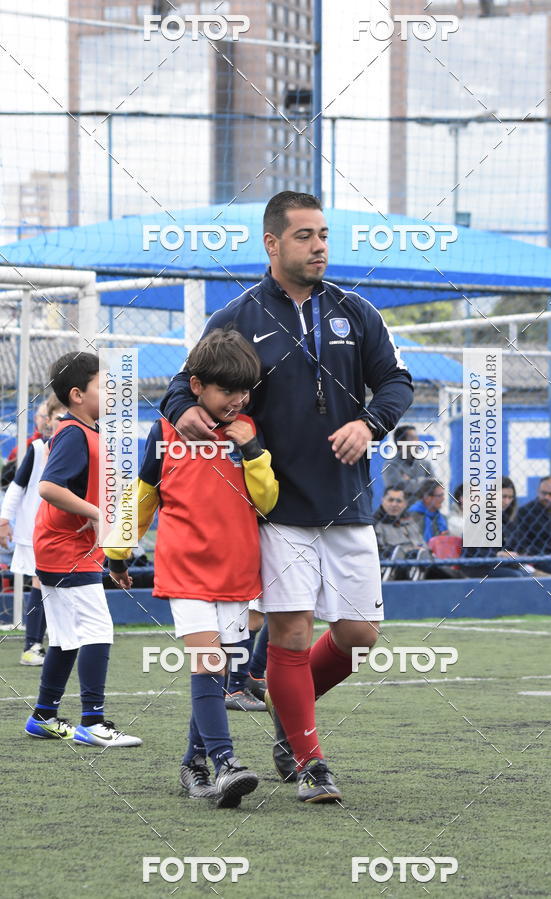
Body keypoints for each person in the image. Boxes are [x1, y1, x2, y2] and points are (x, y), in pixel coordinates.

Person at [161, 190, 413, 803]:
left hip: (347, 503)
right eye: (304, 235)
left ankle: (285, 714)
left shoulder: (356, 312)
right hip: (274, 509)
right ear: (272, 244)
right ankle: (310, 761)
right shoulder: (239, 316)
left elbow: (397, 383)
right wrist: (186, 410)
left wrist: (371, 423)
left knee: (358, 637)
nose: (319, 244)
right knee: (292, 636)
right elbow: (179, 385)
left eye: (324, 234)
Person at [107, 329, 279, 807]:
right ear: (197, 385)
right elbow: (143, 495)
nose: (238, 400)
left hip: (238, 571)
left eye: (245, 391)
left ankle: (193, 765)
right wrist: (118, 553)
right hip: (185, 569)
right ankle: (226, 762)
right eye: (228, 390)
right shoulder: (165, 430)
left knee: (224, 670)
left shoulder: (247, 430)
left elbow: (266, 501)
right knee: (207, 664)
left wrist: (252, 452)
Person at [24, 352, 141, 747]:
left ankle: (43, 715)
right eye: (103, 385)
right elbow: (48, 487)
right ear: (77, 394)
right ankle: (93, 721)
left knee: (64, 637)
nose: (113, 390)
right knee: (97, 629)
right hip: (64, 549)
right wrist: (97, 514)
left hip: (72, 550)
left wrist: (112, 558)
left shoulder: (88, 431)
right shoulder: (73, 431)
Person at [0, 393, 66, 665]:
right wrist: (5, 521)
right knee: (42, 579)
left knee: (61, 584)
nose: (63, 422)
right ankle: (32, 645)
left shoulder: (84, 444)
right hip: (37, 531)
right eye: (58, 417)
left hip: (69, 532)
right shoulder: (37, 450)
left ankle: (60, 639)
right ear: (47, 421)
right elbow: (16, 487)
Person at [461, 477, 529, 578]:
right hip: (476, 567)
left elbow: (514, 545)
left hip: (498, 564)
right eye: (503, 496)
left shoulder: (507, 518)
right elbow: (474, 552)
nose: (507, 501)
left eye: (510, 497)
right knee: (516, 575)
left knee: (526, 573)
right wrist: (498, 555)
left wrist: (516, 554)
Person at [374, 485, 431, 579]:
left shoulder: (409, 521)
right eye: (390, 500)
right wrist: (410, 550)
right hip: (393, 566)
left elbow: (422, 544)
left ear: (405, 504)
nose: (394, 504)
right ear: (382, 500)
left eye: (399, 501)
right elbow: (382, 552)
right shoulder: (375, 523)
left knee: (447, 573)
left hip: (418, 561)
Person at [381, 424, 434, 503]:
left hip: (423, 510)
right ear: (400, 443)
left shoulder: (425, 464)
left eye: (417, 438)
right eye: (413, 438)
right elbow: (396, 489)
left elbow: (434, 486)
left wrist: (408, 483)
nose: (418, 442)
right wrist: (424, 482)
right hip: (400, 512)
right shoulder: (390, 466)